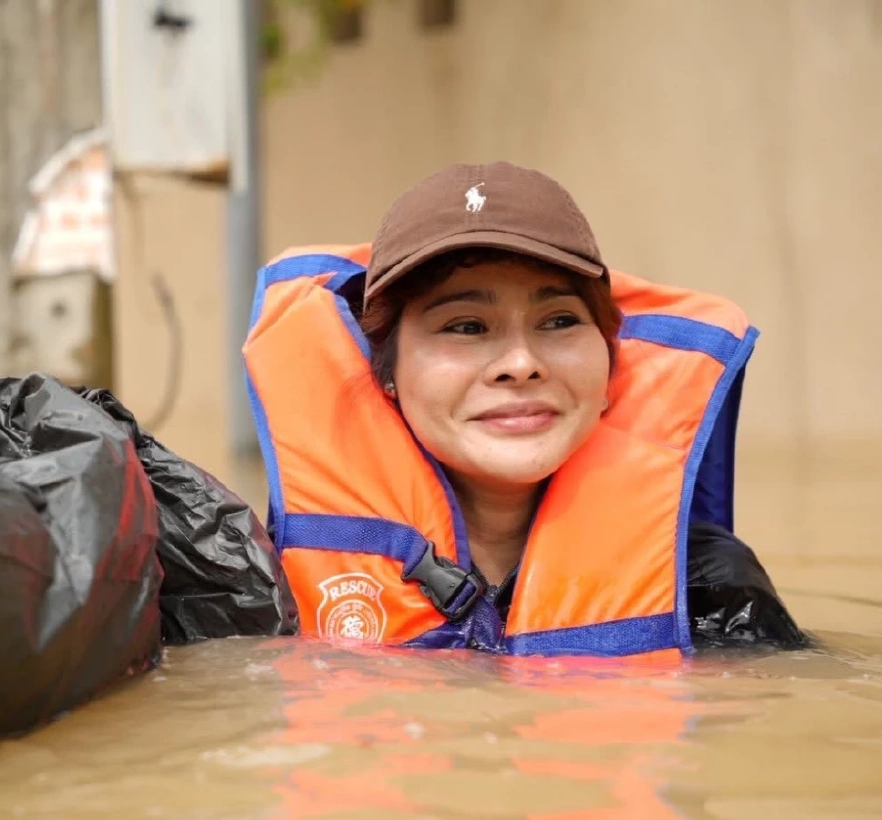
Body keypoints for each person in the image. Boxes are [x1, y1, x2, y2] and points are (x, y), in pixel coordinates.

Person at [244, 162, 806, 656]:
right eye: (465, 327)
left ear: (610, 366)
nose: (520, 362)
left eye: (559, 321)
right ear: (385, 374)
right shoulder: (266, 582)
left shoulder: (708, 587)